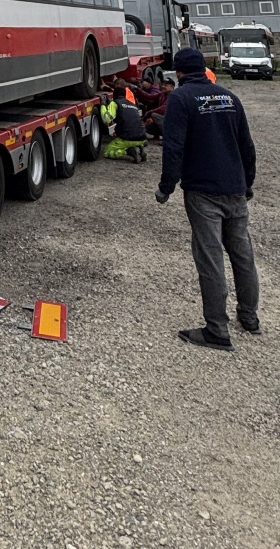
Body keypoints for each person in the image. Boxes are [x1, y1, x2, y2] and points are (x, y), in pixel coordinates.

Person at [156, 47, 259, 351]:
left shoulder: (180, 99)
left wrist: (166, 186)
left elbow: (173, 147)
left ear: (179, 72)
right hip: (235, 189)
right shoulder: (229, 97)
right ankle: (250, 318)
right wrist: (247, 183)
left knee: (210, 258)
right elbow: (247, 146)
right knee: (243, 254)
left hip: (203, 193)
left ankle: (217, 330)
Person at [101, 80, 148, 162]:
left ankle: (129, 151)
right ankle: (140, 147)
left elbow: (106, 119)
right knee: (134, 139)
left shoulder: (115, 103)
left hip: (126, 137)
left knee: (107, 152)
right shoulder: (132, 104)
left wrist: (103, 106)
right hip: (141, 136)